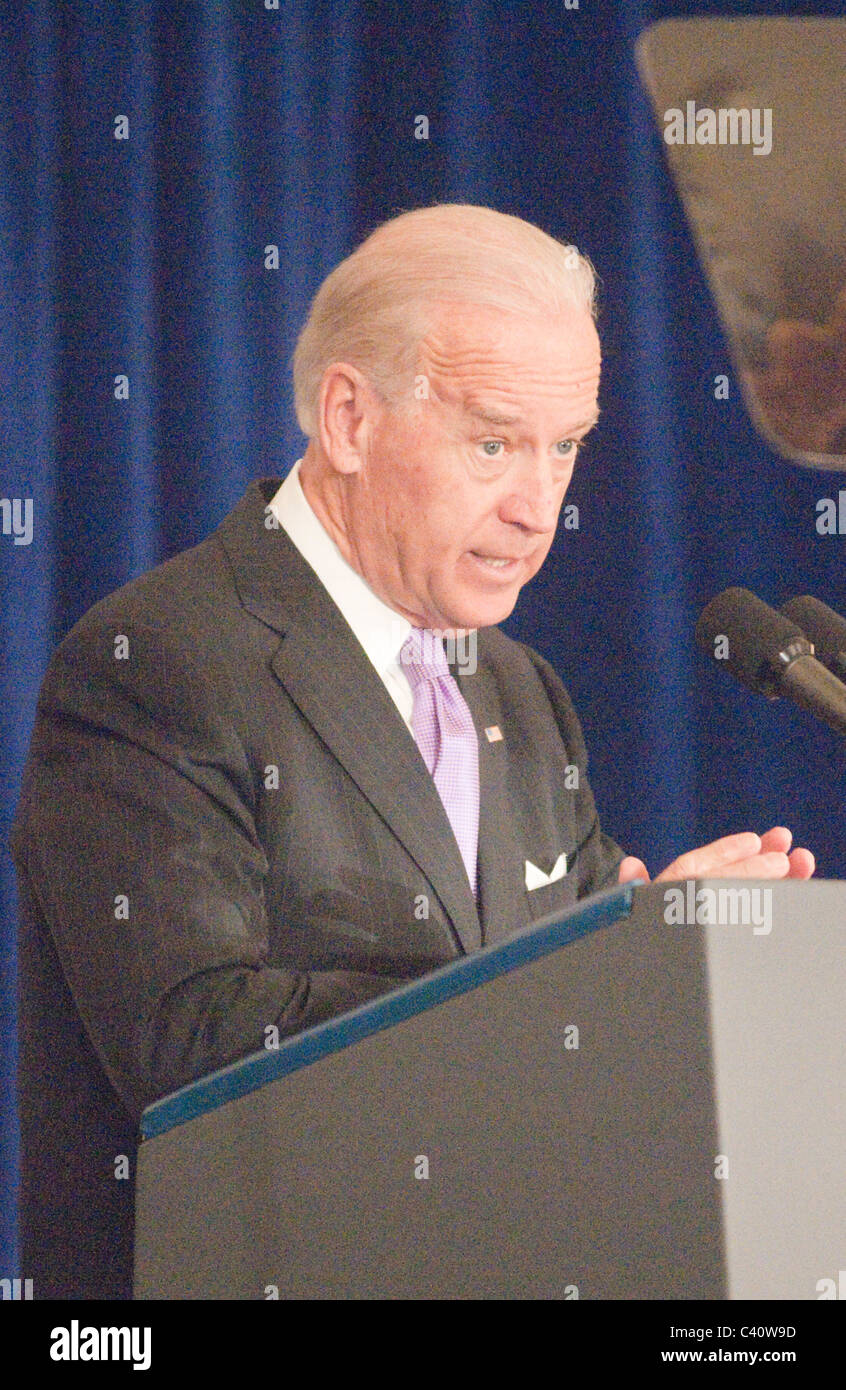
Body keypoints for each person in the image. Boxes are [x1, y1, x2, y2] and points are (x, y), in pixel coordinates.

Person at [11, 203, 814, 1300]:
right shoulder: (157, 662)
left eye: (565, 447)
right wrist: (585, 978)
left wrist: (653, 968)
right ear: (349, 417)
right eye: (493, 443)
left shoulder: (523, 696)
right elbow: (188, 1047)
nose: (539, 508)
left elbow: (570, 1055)